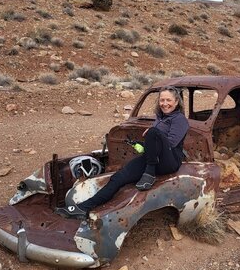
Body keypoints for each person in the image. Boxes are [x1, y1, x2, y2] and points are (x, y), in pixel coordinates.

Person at [56, 86, 189, 218]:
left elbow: (171, 144)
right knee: (118, 177)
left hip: (169, 162)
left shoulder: (180, 120)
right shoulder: (160, 118)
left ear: (176, 102)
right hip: (153, 160)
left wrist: (154, 134)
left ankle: (149, 174)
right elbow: (156, 145)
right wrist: (143, 144)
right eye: (162, 100)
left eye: (169, 100)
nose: (165, 104)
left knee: (153, 132)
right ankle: (83, 208)